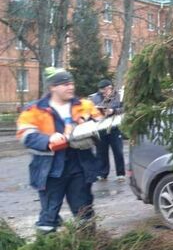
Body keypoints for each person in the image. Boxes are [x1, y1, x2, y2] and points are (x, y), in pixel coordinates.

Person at [16, 67, 103, 234]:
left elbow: (99, 122)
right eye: (65, 84)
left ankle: (88, 246)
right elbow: (25, 134)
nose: (70, 87)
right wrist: (48, 139)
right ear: (52, 87)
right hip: (50, 169)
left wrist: (86, 125)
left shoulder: (84, 105)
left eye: (71, 83)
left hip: (80, 165)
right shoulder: (34, 109)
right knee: (49, 213)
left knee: (84, 209)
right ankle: (47, 248)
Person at [90, 79, 125, 182]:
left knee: (118, 151)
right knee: (101, 152)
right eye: (104, 90)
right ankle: (102, 173)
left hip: (114, 127)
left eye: (108, 89)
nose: (106, 91)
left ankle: (120, 174)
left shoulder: (118, 96)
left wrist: (113, 111)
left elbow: (124, 109)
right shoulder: (94, 98)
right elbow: (90, 111)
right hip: (101, 128)